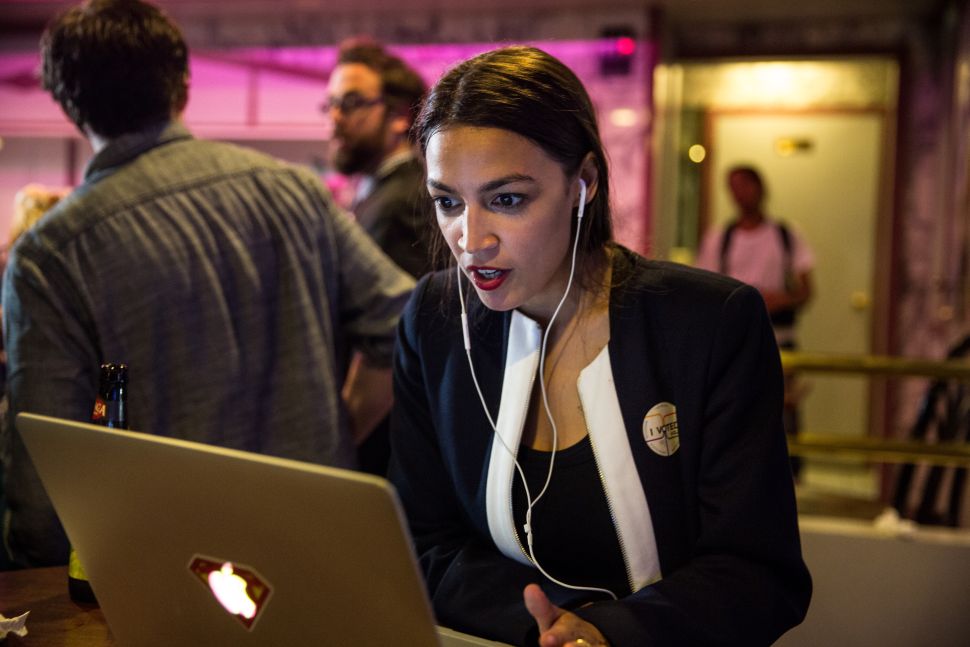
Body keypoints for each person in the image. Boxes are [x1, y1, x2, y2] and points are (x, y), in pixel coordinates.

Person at [388, 46, 811, 647]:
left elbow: (759, 573)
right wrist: (552, 627)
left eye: (507, 199)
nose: (470, 239)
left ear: (583, 183)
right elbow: (420, 543)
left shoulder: (708, 324)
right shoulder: (434, 320)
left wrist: (610, 632)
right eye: (448, 202)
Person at [1, 0, 414, 569]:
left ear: (67, 101)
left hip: (176, 562)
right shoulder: (293, 191)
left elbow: (46, 471)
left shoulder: (50, 256)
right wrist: (335, 432)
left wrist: (36, 576)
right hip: (319, 530)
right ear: (184, 85)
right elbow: (405, 322)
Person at [325, 38, 432, 475]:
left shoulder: (397, 203)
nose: (335, 118)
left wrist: (338, 444)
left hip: (385, 447)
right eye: (331, 103)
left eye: (351, 103)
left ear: (399, 116)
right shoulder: (387, 195)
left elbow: (396, 336)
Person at [695, 165, 816, 477]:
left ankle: (788, 475)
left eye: (745, 185)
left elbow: (806, 289)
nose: (740, 193)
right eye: (733, 186)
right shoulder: (720, 238)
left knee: (783, 411)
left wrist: (780, 299)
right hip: (733, 340)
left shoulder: (786, 235)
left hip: (780, 335)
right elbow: (703, 288)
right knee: (736, 410)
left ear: (760, 187)